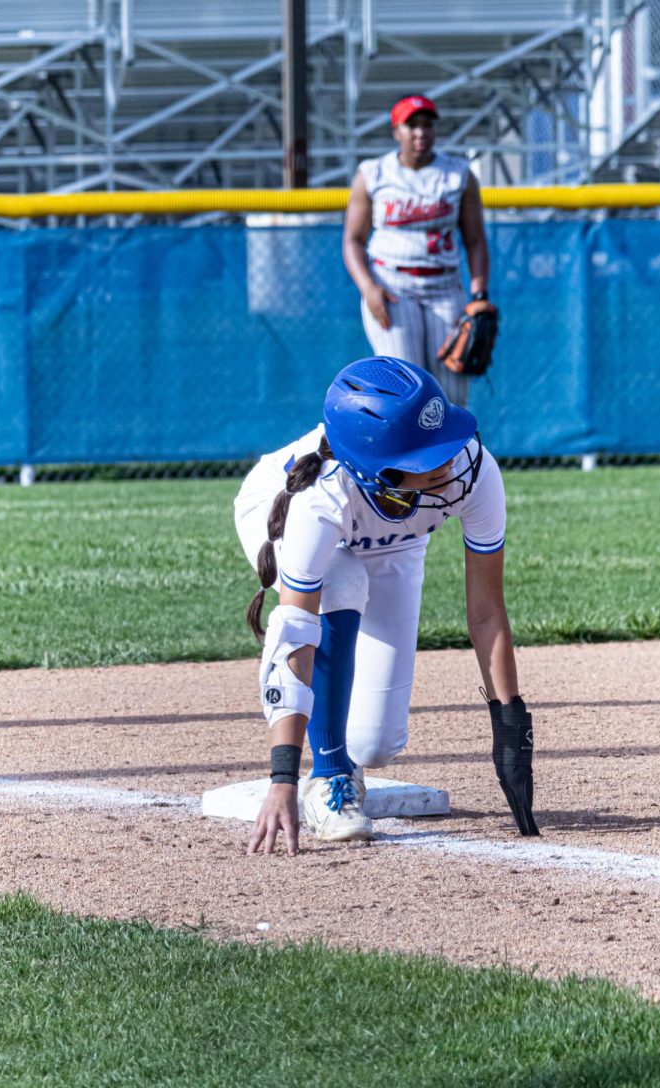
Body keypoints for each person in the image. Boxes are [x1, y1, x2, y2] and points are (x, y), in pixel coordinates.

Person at [233, 355, 538, 856]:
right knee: (343, 576)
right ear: (377, 470)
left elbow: (486, 612)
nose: (449, 463)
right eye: (425, 459)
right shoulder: (318, 499)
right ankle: (328, 775)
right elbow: (295, 632)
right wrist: (283, 778)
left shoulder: (472, 471)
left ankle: (344, 759)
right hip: (278, 504)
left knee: (376, 743)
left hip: (397, 533)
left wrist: (510, 727)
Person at [342, 94, 491, 409]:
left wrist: (478, 295)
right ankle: (403, 459)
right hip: (393, 288)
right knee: (405, 391)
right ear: (396, 131)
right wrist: (368, 288)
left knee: (451, 394)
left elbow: (475, 240)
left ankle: (457, 458)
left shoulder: (459, 174)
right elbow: (353, 240)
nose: (420, 132)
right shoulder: (373, 174)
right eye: (411, 125)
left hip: (444, 287)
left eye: (427, 124)